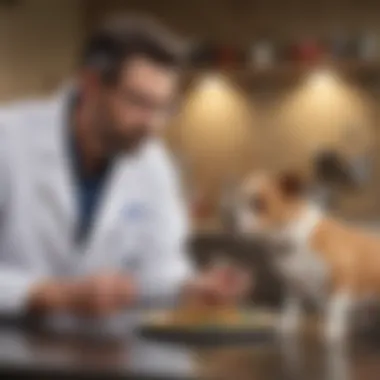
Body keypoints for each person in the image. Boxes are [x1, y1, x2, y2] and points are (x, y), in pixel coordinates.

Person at [0, 15, 250, 319]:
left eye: (164, 107)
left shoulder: (153, 163)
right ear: (91, 84)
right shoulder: (9, 140)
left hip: (99, 357)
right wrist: (51, 293)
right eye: (138, 102)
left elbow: (160, 267)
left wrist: (193, 287)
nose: (153, 124)